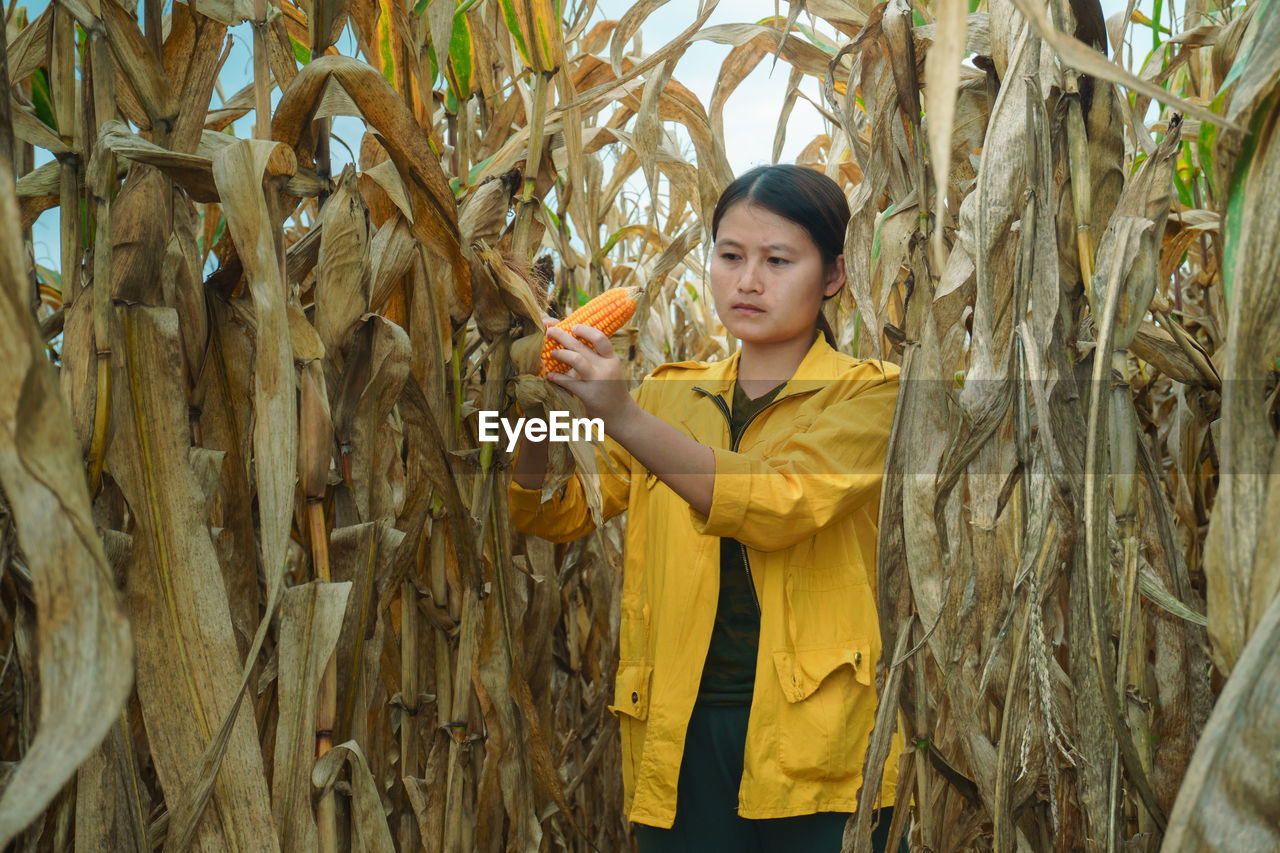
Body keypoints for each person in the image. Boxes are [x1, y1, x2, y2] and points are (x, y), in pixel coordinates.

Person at [507, 164, 904, 852]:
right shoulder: (671, 397)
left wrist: (622, 414)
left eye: (778, 260)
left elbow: (779, 501)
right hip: (680, 731)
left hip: (823, 740)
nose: (747, 281)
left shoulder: (871, 396)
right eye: (730, 256)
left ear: (835, 275)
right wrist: (528, 410)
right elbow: (556, 510)